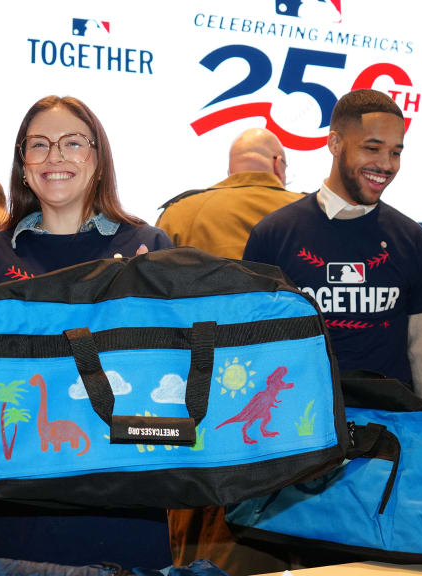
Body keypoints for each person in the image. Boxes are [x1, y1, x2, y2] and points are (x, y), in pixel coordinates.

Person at [0, 95, 173, 568]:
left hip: (122, 498)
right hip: (13, 502)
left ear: (97, 159)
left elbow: (176, 366)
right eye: (38, 145)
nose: (54, 157)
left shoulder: (147, 245)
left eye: (72, 144)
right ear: (23, 165)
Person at [243, 89, 422, 405]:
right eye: (372, 148)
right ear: (334, 144)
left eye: (396, 152)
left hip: (392, 435)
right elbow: (252, 345)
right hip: (303, 434)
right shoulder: (273, 235)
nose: (386, 165)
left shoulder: (413, 241)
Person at [160, 127, 302, 574]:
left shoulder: (182, 213)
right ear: (278, 166)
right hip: (290, 411)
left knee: (200, 532)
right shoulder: (304, 212)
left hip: (198, 395)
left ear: (230, 168)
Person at [156, 127, 302, 259]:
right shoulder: (310, 210)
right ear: (278, 164)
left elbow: (154, 278)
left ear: (230, 171)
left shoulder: (179, 213)